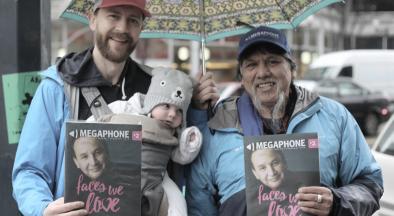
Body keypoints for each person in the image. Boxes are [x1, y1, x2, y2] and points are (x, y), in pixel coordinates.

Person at [12, 0, 218, 215]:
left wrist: (198, 112)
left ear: (141, 28)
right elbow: (30, 170)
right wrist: (42, 209)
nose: (122, 28)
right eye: (113, 16)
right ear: (92, 19)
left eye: (133, 20)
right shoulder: (58, 86)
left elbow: (183, 164)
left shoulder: (156, 88)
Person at [186, 26, 383, 216]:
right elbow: (198, 205)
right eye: (252, 64)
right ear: (242, 75)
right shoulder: (217, 127)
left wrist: (337, 202)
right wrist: (196, 111)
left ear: (291, 68)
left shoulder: (334, 116)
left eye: (272, 61)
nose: (262, 72)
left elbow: (370, 185)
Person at [93, 67, 202, 216]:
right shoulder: (130, 109)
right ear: (152, 102)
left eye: (179, 111)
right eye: (166, 106)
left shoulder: (173, 132)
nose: (171, 114)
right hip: (121, 171)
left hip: (158, 176)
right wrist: (90, 128)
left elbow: (180, 156)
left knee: (178, 203)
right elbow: (105, 117)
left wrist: (190, 141)